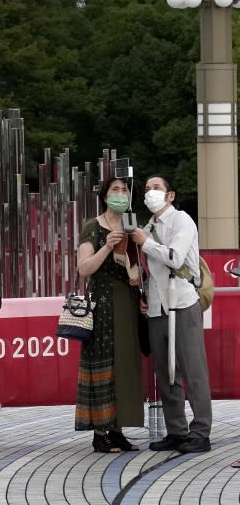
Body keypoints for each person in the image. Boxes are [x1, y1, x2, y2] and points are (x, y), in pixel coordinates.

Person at [132, 175, 212, 453]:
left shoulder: (182, 221)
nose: (150, 193)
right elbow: (151, 271)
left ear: (170, 196)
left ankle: (201, 432)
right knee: (166, 371)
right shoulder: (148, 226)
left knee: (193, 369)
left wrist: (145, 242)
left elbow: (176, 258)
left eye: (156, 188)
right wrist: (143, 295)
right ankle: (176, 431)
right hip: (157, 305)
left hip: (183, 301)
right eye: (146, 189)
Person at [75, 176, 143, 453]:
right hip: (101, 301)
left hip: (127, 299)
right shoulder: (92, 226)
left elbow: (139, 265)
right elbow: (84, 268)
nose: (120, 194)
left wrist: (139, 284)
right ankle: (99, 431)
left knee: (125, 363)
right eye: (115, 189)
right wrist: (106, 246)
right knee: (103, 361)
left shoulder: (132, 225)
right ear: (104, 196)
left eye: (125, 190)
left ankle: (118, 429)